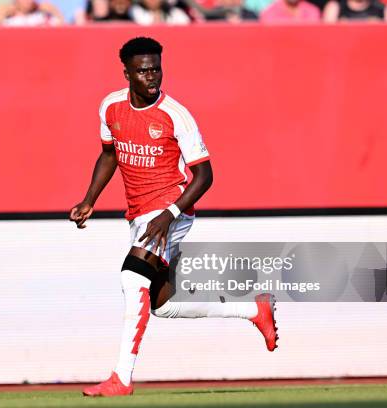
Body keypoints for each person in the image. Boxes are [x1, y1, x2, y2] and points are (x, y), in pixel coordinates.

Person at [70, 37, 278, 398]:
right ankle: (253, 309)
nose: (152, 76)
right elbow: (109, 154)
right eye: (143, 70)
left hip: (172, 211)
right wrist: (89, 198)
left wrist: (169, 214)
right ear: (127, 73)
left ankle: (121, 378)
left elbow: (205, 176)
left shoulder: (176, 115)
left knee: (132, 278)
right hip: (139, 215)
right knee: (162, 306)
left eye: (156, 69)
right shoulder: (111, 107)